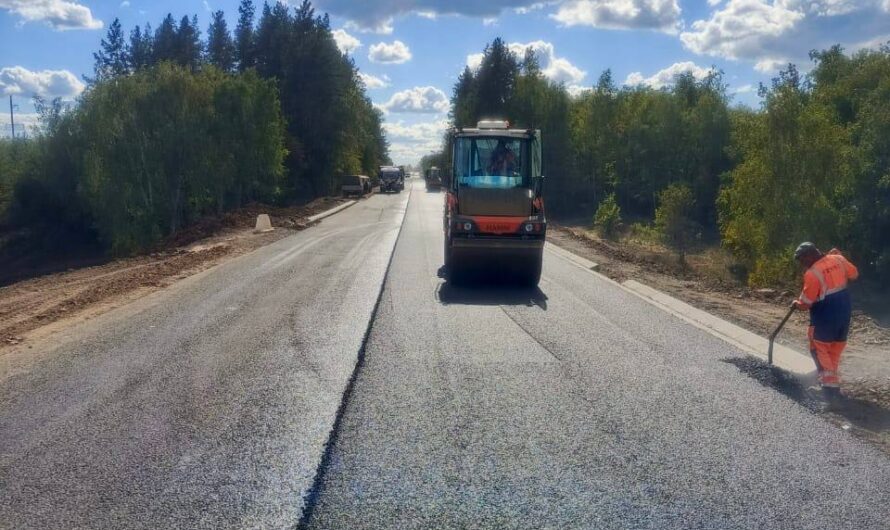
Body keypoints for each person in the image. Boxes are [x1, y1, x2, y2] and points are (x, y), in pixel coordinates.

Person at [792, 242, 859, 400]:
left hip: (826, 315)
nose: (802, 264)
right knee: (834, 349)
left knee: (818, 347)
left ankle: (829, 392)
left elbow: (806, 303)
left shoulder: (812, 273)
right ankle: (832, 383)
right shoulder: (838, 259)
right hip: (844, 313)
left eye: (802, 260)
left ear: (810, 255)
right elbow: (854, 274)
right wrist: (840, 257)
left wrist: (796, 303)